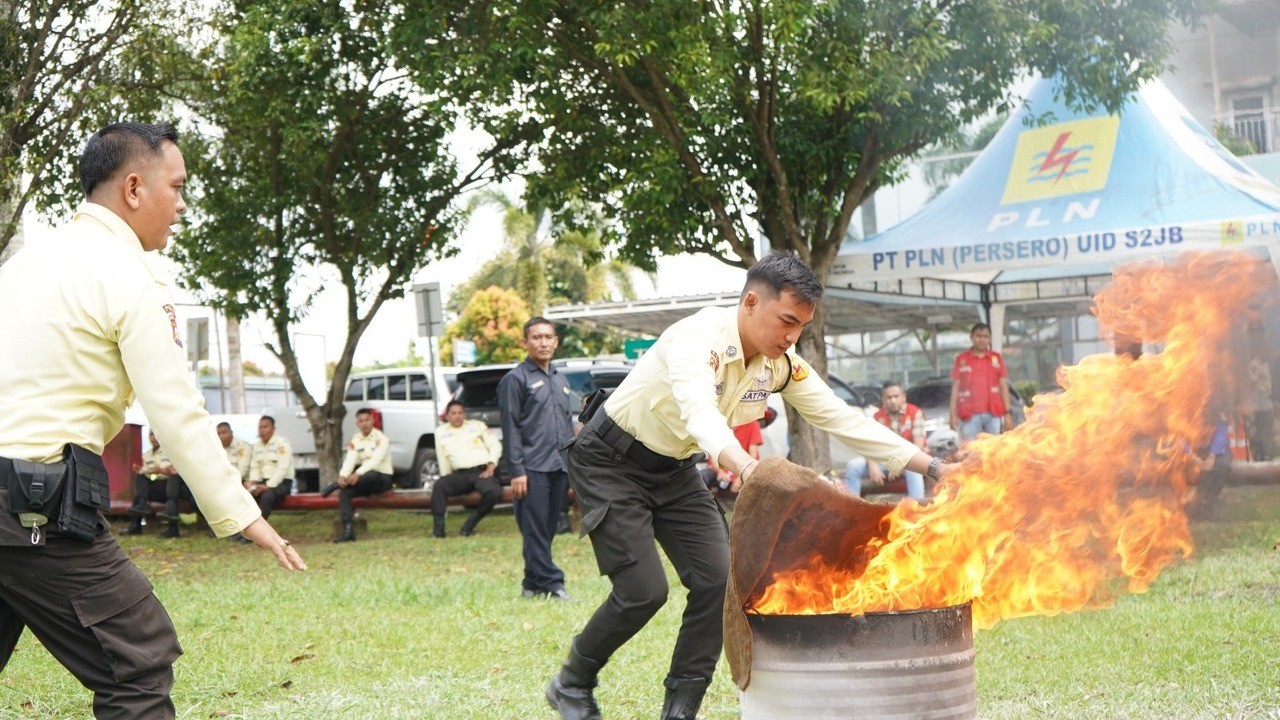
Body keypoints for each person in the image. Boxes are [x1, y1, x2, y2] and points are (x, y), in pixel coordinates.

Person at [546, 253, 954, 720]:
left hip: (674, 469)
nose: (792, 336)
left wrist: (936, 467)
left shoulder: (779, 363)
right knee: (643, 589)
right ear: (751, 302)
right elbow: (700, 414)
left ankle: (680, 709)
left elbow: (840, 417)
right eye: (786, 321)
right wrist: (747, 468)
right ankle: (572, 683)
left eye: (801, 326)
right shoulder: (695, 341)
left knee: (719, 582)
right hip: (611, 460)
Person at [0, 121, 305, 719]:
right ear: (134, 189)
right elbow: (177, 411)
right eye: (178, 185)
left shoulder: (22, 266)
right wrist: (246, 517)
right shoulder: (128, 275)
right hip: (35, 507)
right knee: (137, 663)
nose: (183, 204)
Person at [498, 317, 574, 601]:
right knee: (534, 527)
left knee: (546, 526)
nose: (543, 342)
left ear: (555, 341)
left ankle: (531, 583)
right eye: (537, 337)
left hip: (558, 465)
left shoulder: (559, 378)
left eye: (548, 337)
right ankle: (553, 583)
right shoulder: (515, 380)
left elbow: (566, 424)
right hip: (530, 468)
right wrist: (516, 470)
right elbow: (510, 428)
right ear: (525, 342)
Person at [321, 408, 395, 543]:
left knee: (372, 474)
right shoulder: (356, 440)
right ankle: (348, 531)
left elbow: (376, 460)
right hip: (363, 481)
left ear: (372, 420)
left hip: (381, 479)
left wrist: (357, 473)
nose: (364, 423)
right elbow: (350, 459)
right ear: (357, 423)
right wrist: (343, 476)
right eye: (361, 421)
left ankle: (335, 486)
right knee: (344, 493)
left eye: (367, 420)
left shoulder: (381, 438)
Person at [430, 400, 503, 538]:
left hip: (481, 471)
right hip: (461, 475)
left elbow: (495, 445)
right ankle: (438, 530)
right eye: (453, 413)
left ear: (464, 414)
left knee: (494, 491)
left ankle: (470, 524)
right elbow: (442, 457)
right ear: (447, 416)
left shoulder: (477, 426)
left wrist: (491, 464)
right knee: (440, 486)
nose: (457, 416)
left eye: (460, 413)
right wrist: (446, 476)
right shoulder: (440, 432)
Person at [845, 380, 928, 498]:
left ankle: (917, 510)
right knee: (853, 466)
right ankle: (851, 507)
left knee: (914, 469)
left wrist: (898, 465)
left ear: (903, 397)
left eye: (896, 396)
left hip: (910, 460)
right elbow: (868, 445)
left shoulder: (915, 413)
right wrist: (872, 465)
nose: (893, 401)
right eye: (889, 397)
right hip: (885, 461)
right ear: (883, 399)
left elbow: (918, 448)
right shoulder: (877, 417)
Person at [949, 322, 1012, 444]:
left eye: (985, 336)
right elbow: (956, 388)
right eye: (978, 336)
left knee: (994, 450)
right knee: (971, 453)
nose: (982, 339)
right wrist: (952, 415)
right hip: (969, 416)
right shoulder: (962, 359)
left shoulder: (996, 358)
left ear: (990, 339)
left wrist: (1008, 413)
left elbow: (1003, 386)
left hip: (994, 414)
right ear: (971, 337)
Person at [124, 431, 181, 537]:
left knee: (172, 480)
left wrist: (155, 470)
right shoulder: (146, 455)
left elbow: (172, 471)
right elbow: (145, 472)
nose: (153, 438)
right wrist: (139, 469)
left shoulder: (171, 451)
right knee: (139, 480)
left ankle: (173, 529)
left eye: (156, 434)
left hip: (171, 486)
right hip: (158, 485)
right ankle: (135, 524)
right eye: (151, 434)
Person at [246, 416, 294, 518]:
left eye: (265, 427)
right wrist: (252, 482)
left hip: (281, 483)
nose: (262, 430)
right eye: (260, 427)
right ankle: (242, 530)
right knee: (245, 495)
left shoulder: (282, 444)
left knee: (266, 497)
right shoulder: (257, 445)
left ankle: (260, 530)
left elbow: (282, 468)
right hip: (262, 482)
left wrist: (268, 486)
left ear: (273, 429)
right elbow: (255, 467)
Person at [699, 421, 761, 496]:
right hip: (719, 470)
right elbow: (712, 453)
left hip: (741, 471)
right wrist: (720, 472)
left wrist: (740, 478)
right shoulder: (717, 421)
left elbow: (753, 455)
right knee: (700, 478)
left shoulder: (752, 423)